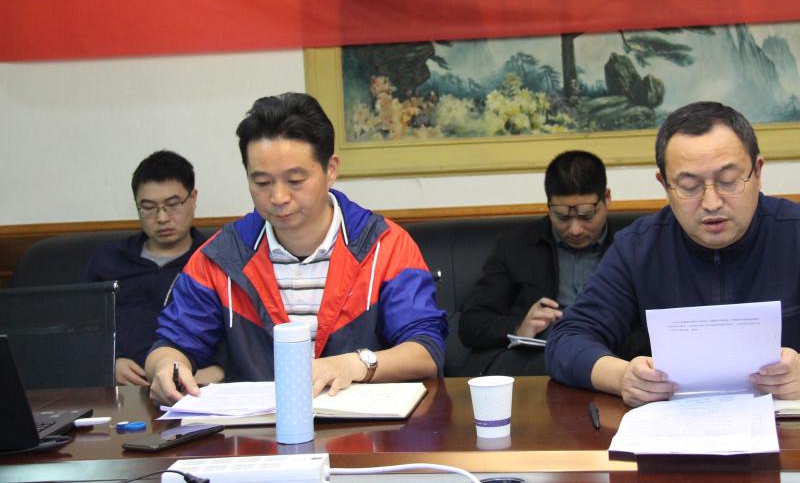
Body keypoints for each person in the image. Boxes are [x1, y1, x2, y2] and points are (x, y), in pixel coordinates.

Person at [546, 101, 800, 406]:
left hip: (791, 436)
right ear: (665, 185)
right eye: (689, 186)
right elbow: (567, 340)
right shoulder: (638, 249)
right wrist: (623, 377)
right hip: (675, 436)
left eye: (729, 181)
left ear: (757, 173)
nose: (712, 202)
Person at [146, 93, 446, 406]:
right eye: (262, 183)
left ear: (331, 169)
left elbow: (426, 351)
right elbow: (170, 344)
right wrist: (167, 366)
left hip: (366, 427)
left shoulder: (384, 245)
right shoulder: (223, 255)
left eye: (295, 180)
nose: (278, 197)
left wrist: (355, 364)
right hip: (257, 428)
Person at [458, 150, 639, 375]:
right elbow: (472, 323)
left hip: (614, 362)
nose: (575, 229)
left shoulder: (634, 245)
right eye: (562, 216)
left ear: (607, 198)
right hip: (538, 366)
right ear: (548, 205)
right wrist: (519, 328)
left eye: (586, 215)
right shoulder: (516, 246)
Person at [82, 150, 221, 387]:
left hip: (195, 386)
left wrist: (215, 372)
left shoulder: (215, 259)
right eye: (148, 207)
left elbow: (239, 333)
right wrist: (107, 364)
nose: (162, 218)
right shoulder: (109, 260)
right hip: (121, 388)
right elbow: (83, 327)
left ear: (193, 198)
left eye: (173, 205)